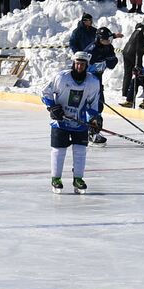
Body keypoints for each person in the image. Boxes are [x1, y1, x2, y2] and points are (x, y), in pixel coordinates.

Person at [42, 52, 103, 194]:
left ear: (86, 65)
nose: (79, 66)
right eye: (77, 63)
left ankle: (78, 178)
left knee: (80, 151)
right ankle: (56, 179)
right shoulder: (61, 77)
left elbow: (92, 104)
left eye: (82, 64)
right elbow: (45, 92)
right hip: (60, 122)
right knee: (59, 151)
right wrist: (53, 107)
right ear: (73, 63)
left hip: (79, 122)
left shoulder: (93, 82)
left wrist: (94, 119)